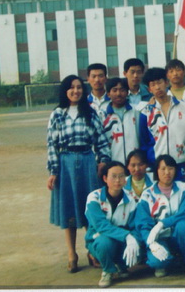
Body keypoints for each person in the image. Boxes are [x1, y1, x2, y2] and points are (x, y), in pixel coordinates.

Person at [47, 75, 111, 273]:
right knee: (69, 209)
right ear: (65, 90)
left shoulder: (90, 113)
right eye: (71, 87)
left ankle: (92, 250)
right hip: (65, 164)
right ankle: (71, 254)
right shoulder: (57, 114)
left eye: (79, 87)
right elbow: (52, 144)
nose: (76, 91)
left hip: (87, 162)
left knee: (90, 208)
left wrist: (102, 162)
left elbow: (101, 140)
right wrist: (53, 171)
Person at [134, 154, 185, 281]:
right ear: (156, 171)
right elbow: (143, 223)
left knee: (183, 226)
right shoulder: (147, 194)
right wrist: (151, 243)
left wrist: (162, 224)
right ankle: (166, 263)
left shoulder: (183, 188)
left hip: (179, 235)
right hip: (160, 238)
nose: (167, 172)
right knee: (157, 262)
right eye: (163, 169)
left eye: (170, 168)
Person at [85, 162, 141, 288]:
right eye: (114, 176)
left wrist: (134, 239)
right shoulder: (94, 198)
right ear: (105, 178)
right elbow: (101, 226)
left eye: (121, 176)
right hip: (100, 238)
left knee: (138, 246)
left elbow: (135, 225)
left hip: (122, 240)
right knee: (105, 243)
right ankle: (108, 270)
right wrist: (126, 235)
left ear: (125, 179)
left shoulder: (132, 198)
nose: (118, 180)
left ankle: (122, 266)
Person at [139, 67, 185, 181]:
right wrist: (150, 161)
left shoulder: (183, 107)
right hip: (158, 165)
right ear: (149, 89)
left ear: (167, 83)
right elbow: (144, 142)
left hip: (180, 162)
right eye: (153, 85)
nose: (157, 87)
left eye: (159, 82)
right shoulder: (146, 112)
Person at [102, 78, 140, 164]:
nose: (118, 94)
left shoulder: (136, 111)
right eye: (114, 90)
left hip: (134, 163)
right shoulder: (102, 114)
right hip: (112, 163)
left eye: (122, 90)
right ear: (108, 94)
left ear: (127, 92)